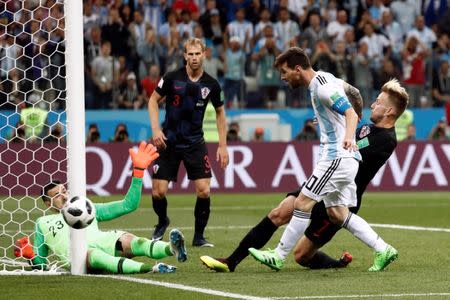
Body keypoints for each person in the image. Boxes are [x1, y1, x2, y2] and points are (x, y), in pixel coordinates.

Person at [201, 78, 409, 273]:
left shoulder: (387, 140)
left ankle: (335, 263)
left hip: (340, 196)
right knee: (278, 213)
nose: (373, 105)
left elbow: (348, 153)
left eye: (378, 102)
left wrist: (335, 129)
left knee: (301, 256)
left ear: (389, 110)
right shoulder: (368, 129)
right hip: (325, 182)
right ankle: (231, 261)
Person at [247, 47, 400, 272]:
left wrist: (349, 135)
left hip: (336, 158)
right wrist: (335, 119)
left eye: (284, 71)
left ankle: (278, 256)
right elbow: (355, 93)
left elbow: (348, 111)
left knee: (302, 203)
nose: (283, 77)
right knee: (338, 213)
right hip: (346, 160)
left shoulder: (322, 89)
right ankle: (383, 249)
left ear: (298, 69)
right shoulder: (328, 78)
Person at [14, 142, 188, 274]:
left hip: (103, 241)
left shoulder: (86, 207)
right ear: (47, 203)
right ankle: (153, 269)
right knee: (96, 255)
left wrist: (138, 172)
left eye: (64, 191)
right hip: (79, 256)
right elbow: (42, 265)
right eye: (57, 195)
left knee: (131, 240)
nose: (65, 196)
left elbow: (128, 205)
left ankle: (171, 248)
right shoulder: (42, 223)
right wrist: (31, 256)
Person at [147, 37, 229, 247]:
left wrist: (222, 145)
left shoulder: (212, 84)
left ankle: (199, 236)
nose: (193, 57)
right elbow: (153, 100)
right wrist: (156, 129)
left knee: (204, 190)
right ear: (184, 55)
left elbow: (220, 113)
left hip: (194, 142)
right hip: (168, 141)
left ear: (204, 54)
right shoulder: (172, 77)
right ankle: (161, 221)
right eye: (190, 54)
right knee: (158, 191)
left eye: (197, 53)